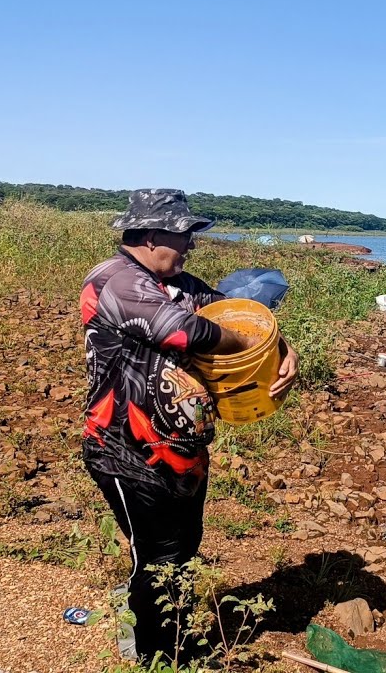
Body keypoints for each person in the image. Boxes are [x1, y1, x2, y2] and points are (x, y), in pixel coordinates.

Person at [79, 189, 299, 662]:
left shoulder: (185, 285)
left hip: (184, 450)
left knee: (182, 550)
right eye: (184, 237)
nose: (191, 247)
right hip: (125, 449)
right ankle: (157, 656)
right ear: (154, 234)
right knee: (157, 555)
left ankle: (169, 636)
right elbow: (187, 331)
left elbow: (240, 315)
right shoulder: (114, 280)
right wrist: (240, 339)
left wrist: (283, 350)